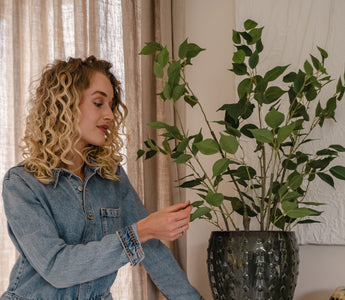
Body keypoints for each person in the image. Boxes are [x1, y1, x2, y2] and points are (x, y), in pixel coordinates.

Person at [1, 56, 202, 300]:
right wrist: (141, 231)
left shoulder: (111, 175)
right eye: (98, 103)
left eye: (112, 105)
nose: (109, 114)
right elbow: (57, 268)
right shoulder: (22, 183)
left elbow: (152, 251)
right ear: (65, 104)